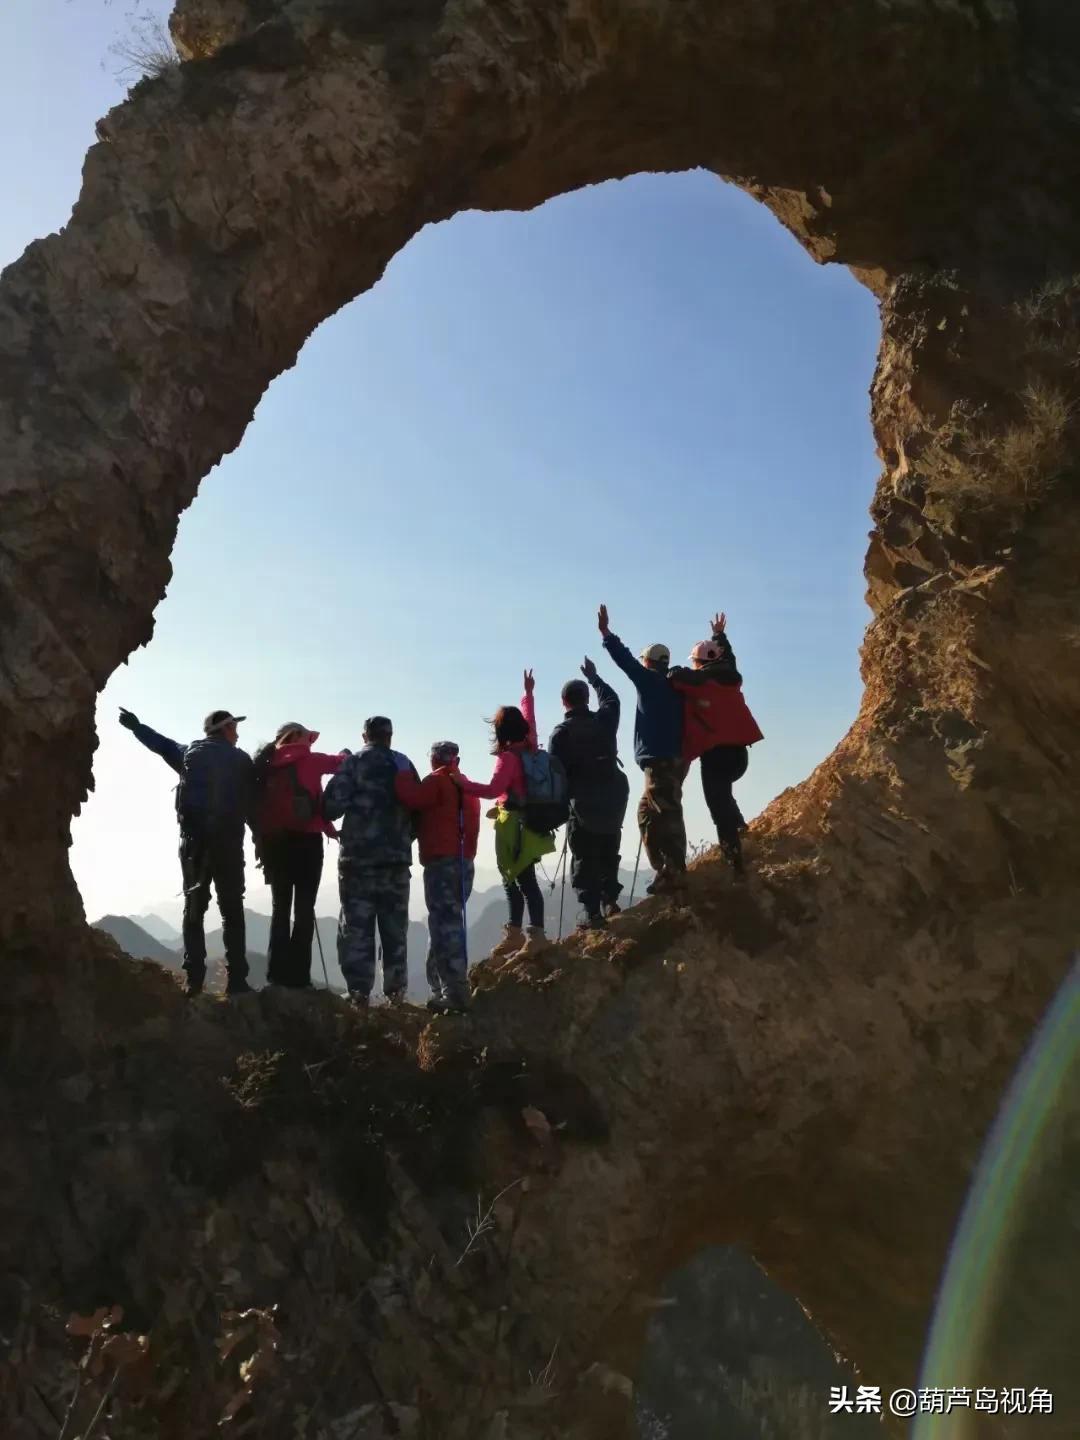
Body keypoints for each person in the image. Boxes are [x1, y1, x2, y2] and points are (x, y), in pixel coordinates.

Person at [118, 706, 254, 997]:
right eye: (235, 728)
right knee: (232, 910)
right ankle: (238, 982)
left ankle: (194, 980)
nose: (238, 733)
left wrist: (136, 726)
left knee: (194, 908)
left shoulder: (190, 753)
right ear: (225, 729)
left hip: (194, 844)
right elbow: (254, 800)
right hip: (229, 844)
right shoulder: (242, 761)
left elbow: (162, 745)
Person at [454, 670, 553, 964]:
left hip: (513, 827)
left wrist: (462, 783)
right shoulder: (532, 746)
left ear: (500, 732)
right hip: (534, 824)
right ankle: (522, 933)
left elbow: (493, 789)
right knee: (524, 878)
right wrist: (529, 693)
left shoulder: (508, 758)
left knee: (517, 880)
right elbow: (530, 718)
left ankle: (528, 935)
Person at [321, 716, 419, 1010]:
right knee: (395, 928)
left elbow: (330, 807)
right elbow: (419, 806)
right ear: (390, 736)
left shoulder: (352, 765)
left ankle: (359, 994)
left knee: (357, 928)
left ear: (364, 735)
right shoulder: (404, 764)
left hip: (357, 863)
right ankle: (396, 993)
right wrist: (403, 840)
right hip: (396, 863)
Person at [597, 604, 687, 894]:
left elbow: (626, 662)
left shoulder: (650, 682)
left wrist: (606, 634)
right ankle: (665, 869)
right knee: (647, 814)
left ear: (648, 662)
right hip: (670, 759)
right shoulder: (676, 687)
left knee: (667, 812)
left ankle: (675, 871)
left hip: (660, 760)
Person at [252, 723, 346, 988]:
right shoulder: (311, 760)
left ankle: (275, 976)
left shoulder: (265, 763)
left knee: (279, 909)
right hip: (307, 843)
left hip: (275, 845)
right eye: (308, 738)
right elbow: (342, 764)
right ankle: (299, 977)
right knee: (304, 910)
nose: (311, 743)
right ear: (295, 737)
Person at [670, 613, 763, 874]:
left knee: (718, 807)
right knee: (724, 796)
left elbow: (676, 677)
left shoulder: (698, 682)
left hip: (716, 756)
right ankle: (741, 828)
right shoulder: (732, 677)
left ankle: (735, 864)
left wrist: (671, 670)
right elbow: (729, 658)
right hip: (740, 755)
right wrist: (720, 636)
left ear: (699, 662)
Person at [394, 741, 481, 1014]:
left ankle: (454, 992)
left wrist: (402, 770)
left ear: (434, 759)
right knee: (446, 923)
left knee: (445, 926)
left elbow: (410, 797)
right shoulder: (466, 785)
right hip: (465, 863)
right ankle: (440, 987)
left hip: (441, 864)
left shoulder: (436, 782)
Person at [548, 658, 629, 929]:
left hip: (582, 800)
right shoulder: (605, 720)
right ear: (586, 698)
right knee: (609, 846)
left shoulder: (561, 734)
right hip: (614, 795)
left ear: (564, 702)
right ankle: (610, 900)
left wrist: (555, 812)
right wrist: (595, 678)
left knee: (584, 854)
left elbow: (556, 776)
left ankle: (592, 912)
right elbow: (613, 699)